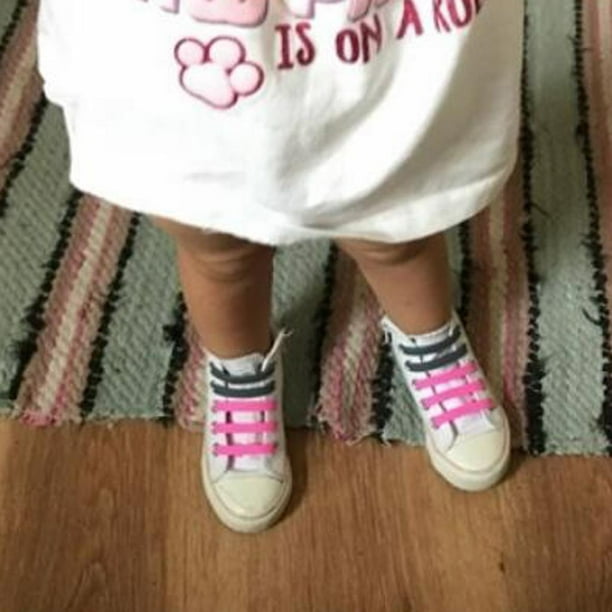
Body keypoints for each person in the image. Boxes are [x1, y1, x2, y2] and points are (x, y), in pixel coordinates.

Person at [36, 0, 523, 533]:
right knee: (215, 236)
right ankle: (239, 367)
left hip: (366, 45)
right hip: (185, 52)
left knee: (393, 221)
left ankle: (429, 337)